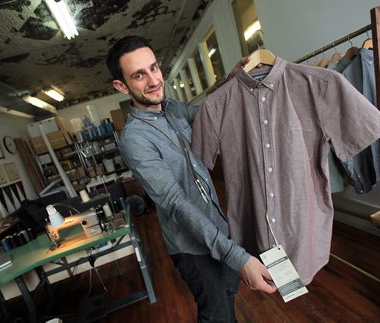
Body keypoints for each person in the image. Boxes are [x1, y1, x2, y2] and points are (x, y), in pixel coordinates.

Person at [106, 35, 276, 322]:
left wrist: (231, 80)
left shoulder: (174, 109)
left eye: (154, 68)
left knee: (226, 297)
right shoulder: (135, 139)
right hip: (191, 248)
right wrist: (239, 258)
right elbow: (175, 203)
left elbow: (211, 113)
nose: (153, 80)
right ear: (121, 86)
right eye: (139, 75)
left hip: (218, 225)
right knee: (217, 314)